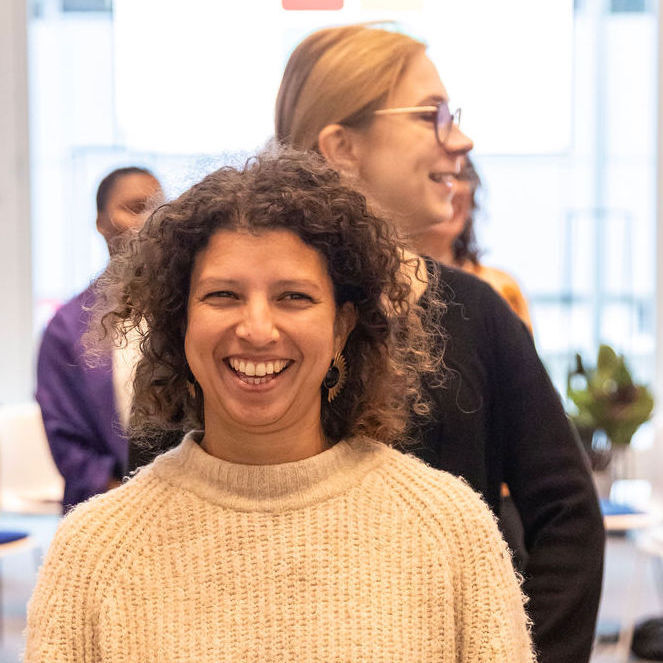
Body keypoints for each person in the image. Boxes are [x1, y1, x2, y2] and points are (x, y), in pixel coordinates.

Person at [25, 149, 534, 663]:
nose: (257, 329)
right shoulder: (92, 554)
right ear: (180, 324)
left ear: (342, 327)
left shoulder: (450, 531)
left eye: (294, 297)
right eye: (223, 294)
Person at [274, 24, 604, 663]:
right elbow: (160, 493)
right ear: (342, 145)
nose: (461, 139)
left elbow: (567, 514)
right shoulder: (228, 319)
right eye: (433, 115)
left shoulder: (476, 311)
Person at [35, 166, 163, 510]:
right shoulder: (66, 328)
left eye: (157, 208)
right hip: (101, 509)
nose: (148, 220)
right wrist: (127, 500)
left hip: (184, 504)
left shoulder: (185, 311)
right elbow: (65, 439)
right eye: (134, 207)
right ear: (101, 222)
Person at [416, 155, 533, 331]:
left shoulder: (503, 288)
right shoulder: (386, 286)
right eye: (439, 177)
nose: (453, 188)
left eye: (461, 176)